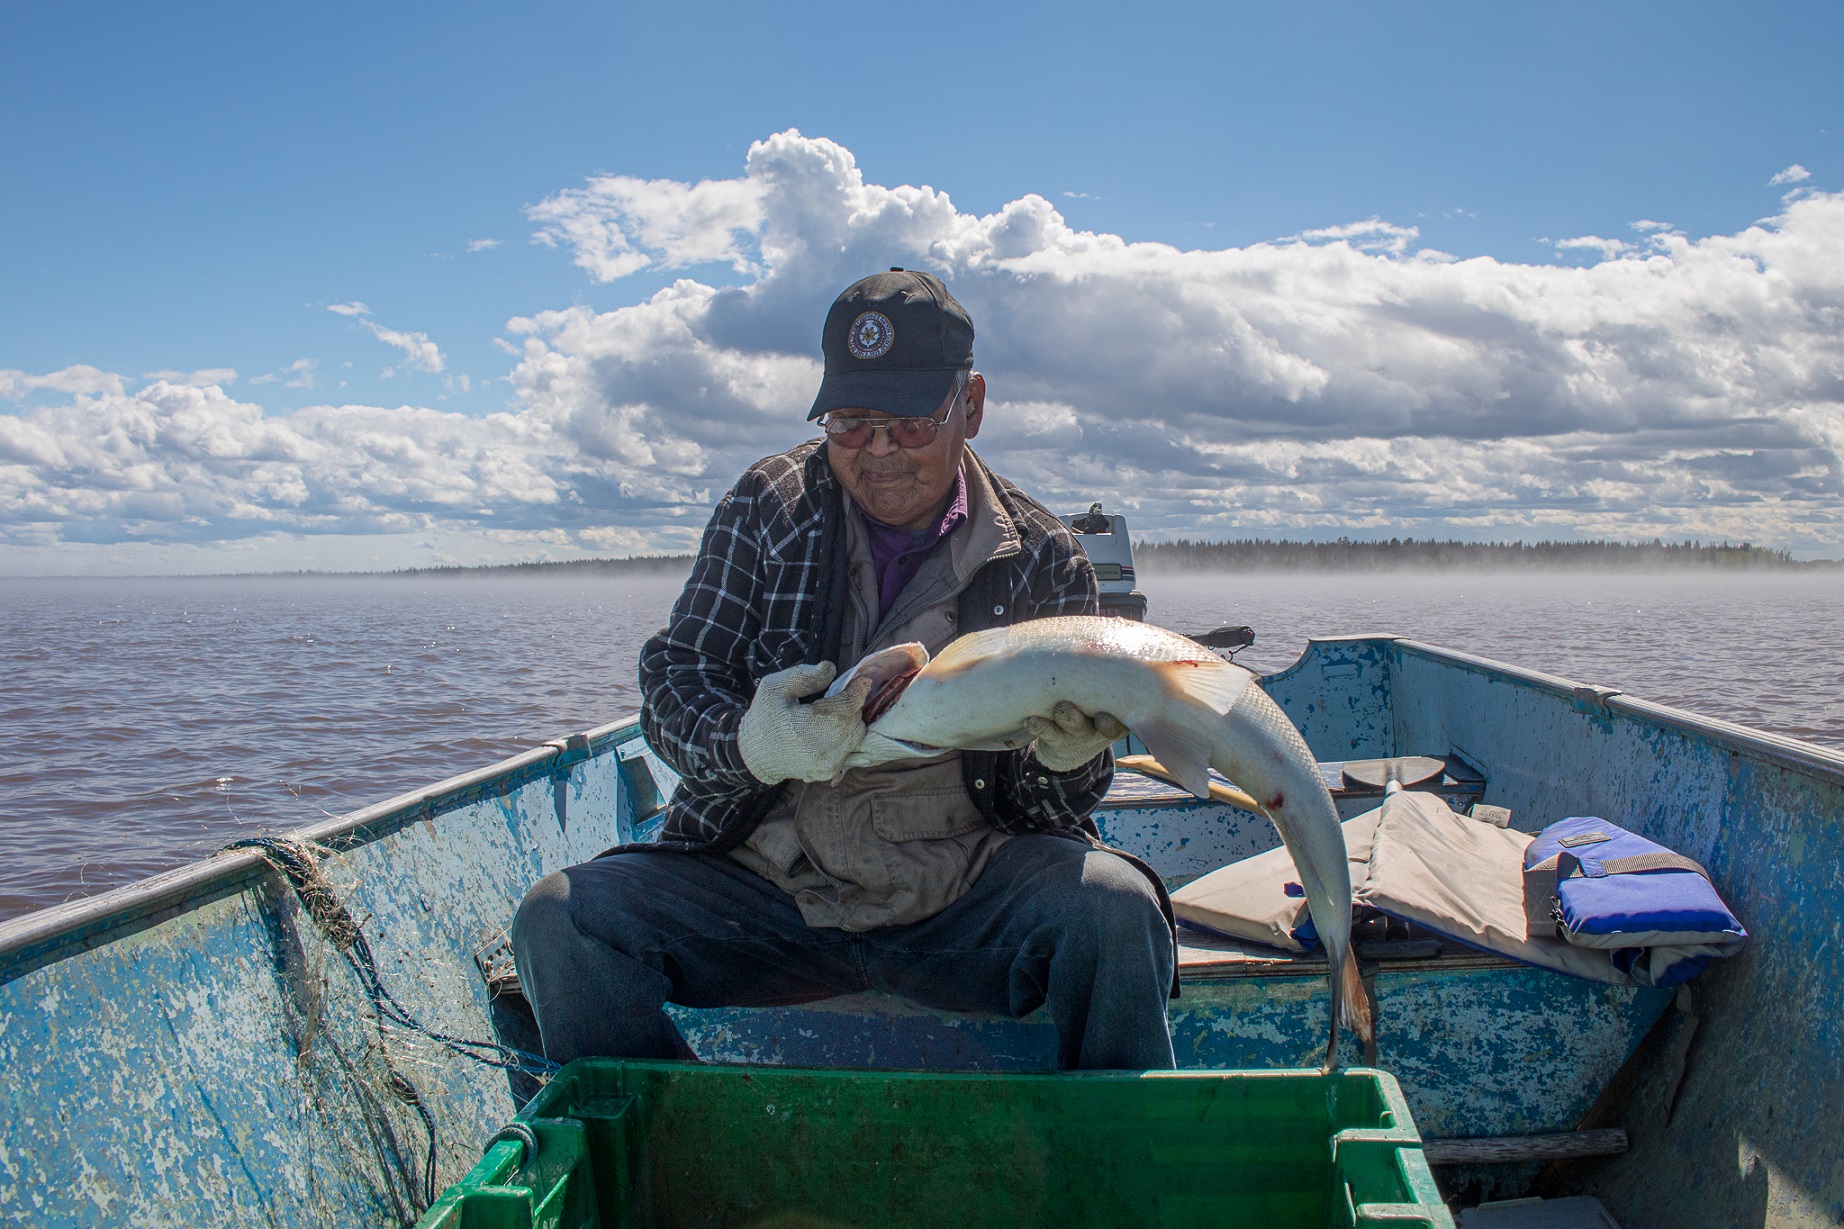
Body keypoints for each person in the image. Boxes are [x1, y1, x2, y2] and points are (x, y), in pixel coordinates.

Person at [512, 269, 1176, 1071]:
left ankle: (1117, 1169)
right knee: (562, 920)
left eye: (910, 423)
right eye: (852, 424)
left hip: (964, 899)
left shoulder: (1043, 557)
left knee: (1116, 913)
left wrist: (1071, 759)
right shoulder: (767, 506)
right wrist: (753, 746)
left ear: (970, 406)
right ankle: (665, 1155)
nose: (881, 451)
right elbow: (674, 682)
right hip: (769, 893)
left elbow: (1049, 806)